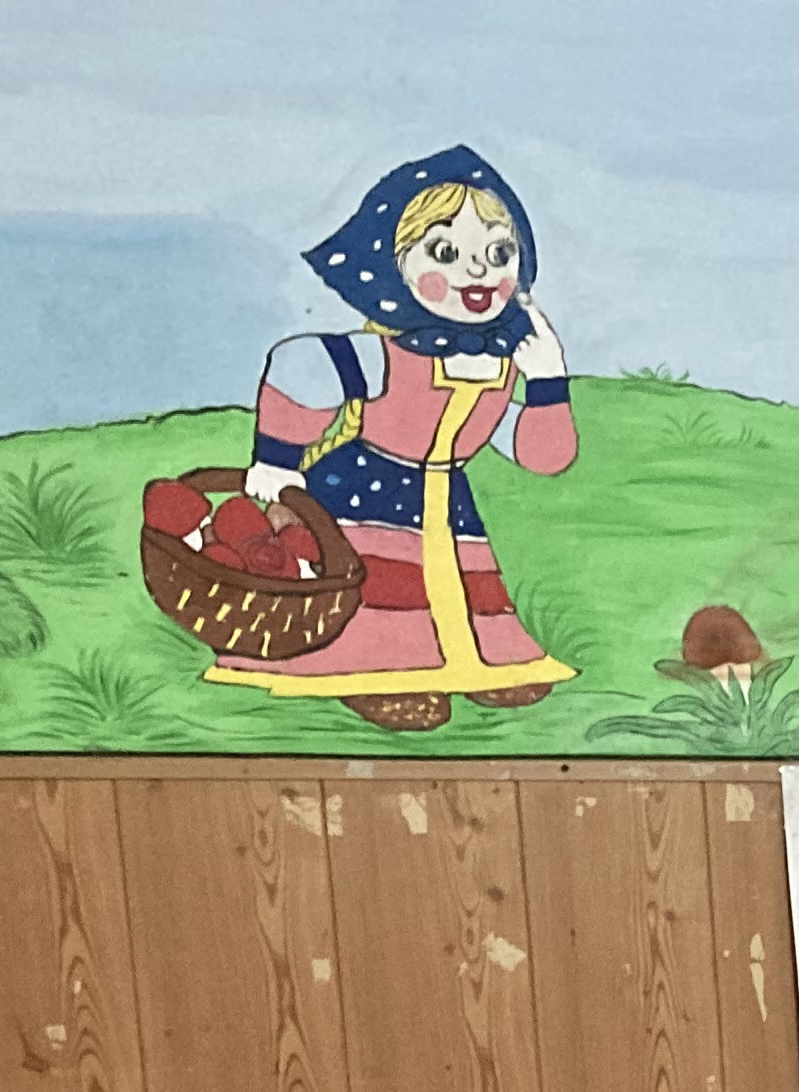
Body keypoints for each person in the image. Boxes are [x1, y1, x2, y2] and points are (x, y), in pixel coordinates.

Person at [207, 146, 579, 730]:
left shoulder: (504, 365)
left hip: (448, 504)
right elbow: (301, 366)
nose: (477, 272)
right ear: (395, 267)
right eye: (446, 253)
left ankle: (476, 663)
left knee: (459, 590)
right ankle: (374, 676)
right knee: (377, 594)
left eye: (498, 253)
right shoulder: (387, 353)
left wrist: (549, 381)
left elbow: (544, 456)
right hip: (364, 493)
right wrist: (277, 459)